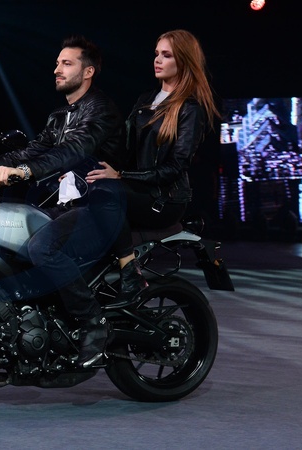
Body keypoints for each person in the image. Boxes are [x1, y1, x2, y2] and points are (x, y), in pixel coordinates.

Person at [0, 35, 126, 368]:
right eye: (57, 63)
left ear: (88, 71)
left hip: (99, 207)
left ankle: (94, 323)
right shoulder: (60, 116)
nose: (57, 69)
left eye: (67, 63)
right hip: (69, 206)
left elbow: (72, 151)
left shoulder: (100, 110)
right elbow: (27, 152)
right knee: (13, 238)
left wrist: (23, 172)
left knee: (42, 248)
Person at [86, 29, 220, 301]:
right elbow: (124, 148)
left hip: (165, 198)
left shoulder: (190, 109)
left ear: (183, 61)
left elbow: (175, 167)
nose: (157, 60)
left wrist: (121, 176)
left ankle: (130, 272)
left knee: (105, 192)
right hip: (136, 188)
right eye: (157, 54)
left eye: (166, 55)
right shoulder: (145, 101)